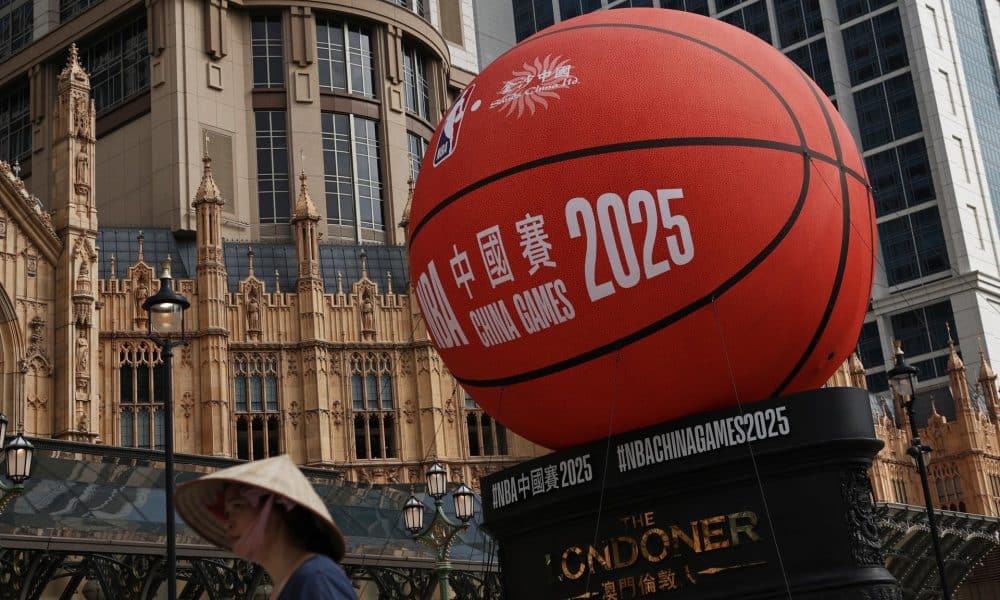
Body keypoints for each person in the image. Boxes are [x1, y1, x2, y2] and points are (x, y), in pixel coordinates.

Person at [175, 454, 356, 598]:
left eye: (237, 505)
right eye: (227, 512)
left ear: (273, 510)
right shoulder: (295, 580)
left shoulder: (317, 578)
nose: (227, 523)